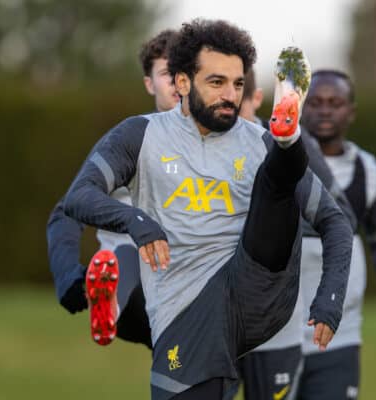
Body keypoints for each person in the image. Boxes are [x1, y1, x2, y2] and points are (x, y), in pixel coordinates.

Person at [61, 19, 353, 399]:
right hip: (181, 311)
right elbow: (79, 196)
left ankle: (291, 136)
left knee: (276, 177)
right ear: (181, 83)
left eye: (237, 84)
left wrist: (330, 299)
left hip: (256, 285)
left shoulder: (257, 139)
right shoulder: (140, 135)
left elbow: (335, 222)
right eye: (217, 83)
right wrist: (136, 220)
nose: (230, 95)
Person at [46, 29, 177, 349]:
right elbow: (68, 209)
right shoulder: (131, 139)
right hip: (139, 293)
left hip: (199, 285)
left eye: (184, 72)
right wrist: (67, 276)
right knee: (127, 253)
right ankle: (108, 299)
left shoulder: (222, 142)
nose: (177, 82)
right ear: (149, 83)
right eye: (166, 73)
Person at [235, 68, 358, 400]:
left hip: (272, 319)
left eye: (239, 105)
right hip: (211, 317)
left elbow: (341, 216)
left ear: (255, 100)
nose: (231, 117)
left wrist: (275, 219)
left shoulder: (288, 143)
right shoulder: (187, 150)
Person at [296, 69, 376, 400]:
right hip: (275, 330)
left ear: (351, 111)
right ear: (299, 107)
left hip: (341, 333)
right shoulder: (275, 162)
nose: (325, 110)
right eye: (315, 102)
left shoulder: (370, 172)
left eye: (335, 102)